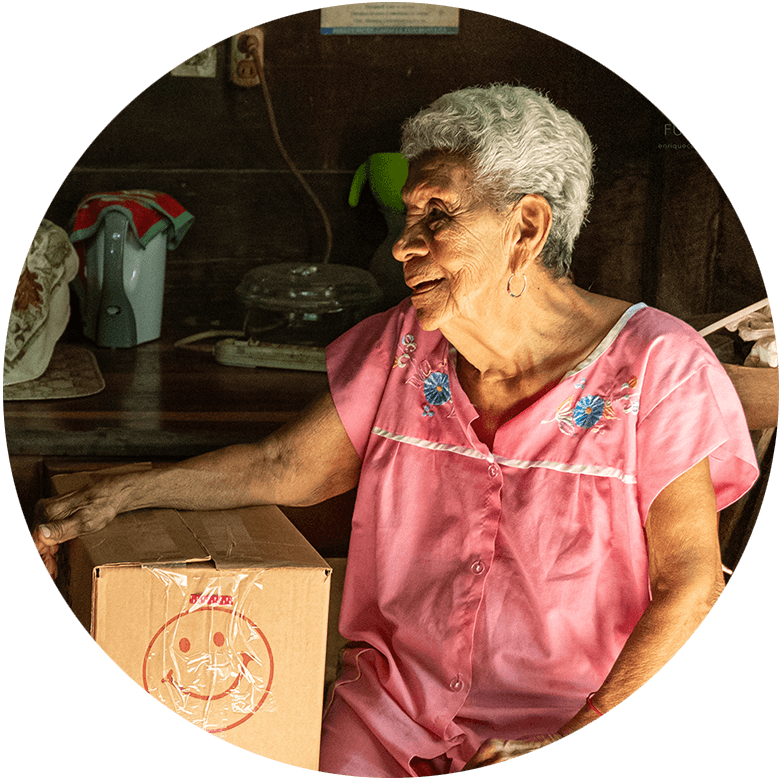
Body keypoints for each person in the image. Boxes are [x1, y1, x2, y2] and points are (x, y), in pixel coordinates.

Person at [34, 84, 759, 775]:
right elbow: (284, 463)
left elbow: (691, 584)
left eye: (437, 214)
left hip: (565, 714)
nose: (405, 244)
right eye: (409, 216)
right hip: (390, 718)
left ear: (527, 227)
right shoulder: (403, 346)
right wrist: (119, 494)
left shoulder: (657, 364)